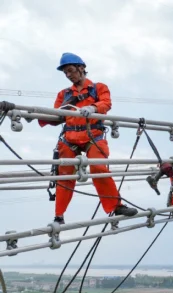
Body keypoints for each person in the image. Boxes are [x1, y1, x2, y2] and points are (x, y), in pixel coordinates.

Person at [38, 52, 138, 224]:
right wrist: (36, 115)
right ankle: (58, 216)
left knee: (99, 168)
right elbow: (58, 116)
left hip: (94, 135)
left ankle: (116, 206)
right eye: (66, 73)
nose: (69, 75)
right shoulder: (64, 94)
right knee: (64, 174)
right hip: (70, 137)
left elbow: (106, 103)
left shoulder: (98, 88)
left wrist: (93, 108)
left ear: (81, 68)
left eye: (70, 71)